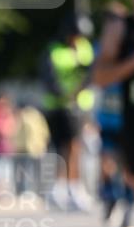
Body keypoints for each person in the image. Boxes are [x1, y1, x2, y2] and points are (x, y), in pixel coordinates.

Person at [92, 0, 134, 227]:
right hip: (125, 116)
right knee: (122, 169)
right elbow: (99, 77)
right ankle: (119, 203)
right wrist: (133, 62)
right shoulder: (122, 30)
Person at [41, 20, 96, 211]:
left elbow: (90, 73)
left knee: (74, 146)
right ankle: (60, 187)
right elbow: (48, 77)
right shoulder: (54, 50)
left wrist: (77, 92)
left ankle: (73, 187)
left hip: (78, 105)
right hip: (57, 105)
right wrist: (63, 94)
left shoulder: (85, 49)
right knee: (59, 148)